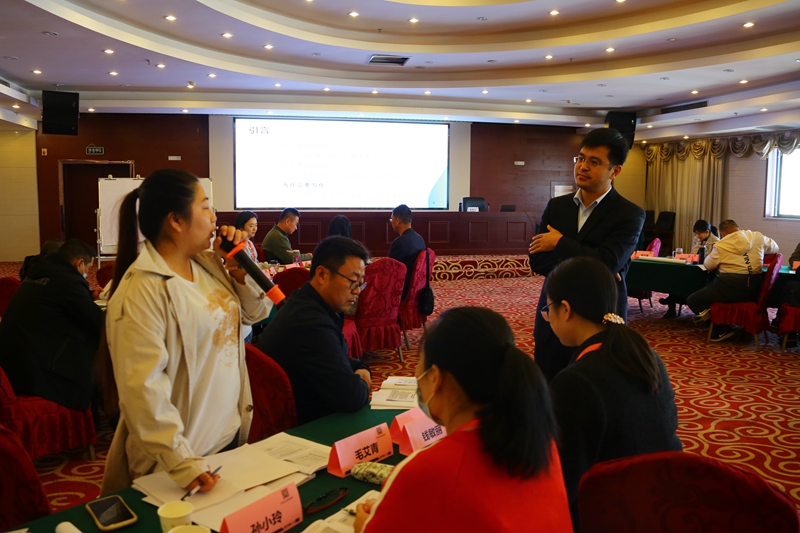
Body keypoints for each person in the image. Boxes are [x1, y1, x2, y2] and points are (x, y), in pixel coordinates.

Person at [101, 169, 272, 495]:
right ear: (176, 221)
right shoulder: (142, 290)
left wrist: (239, 270)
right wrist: (182, 463)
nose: (215, 217)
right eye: (205, 207)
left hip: (227, 439)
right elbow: (143, 390)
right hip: (179, 462)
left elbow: (256, 314)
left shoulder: (208, 265)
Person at [354, 307, 572, 533]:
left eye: (418, 369)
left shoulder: (427, 470)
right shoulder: (538, 439)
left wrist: (364, 527)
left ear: (435, 378)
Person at [545, 257, 683, 531]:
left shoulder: (576, 381)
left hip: (614, 514)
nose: (547, 318)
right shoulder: (644, 354)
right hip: (665, 502)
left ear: (566, 309)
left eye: (548, 310)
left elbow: (563, 481)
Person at [529, 128, 645, 382]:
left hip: (601, 317)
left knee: (598, 386)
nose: (582, 166)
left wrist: (559, 243)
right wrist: (595, 262)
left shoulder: (629, 214)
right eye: (580, 158)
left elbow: (609, 262)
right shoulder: (557, 206)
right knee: (548, 385)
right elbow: (537, 260)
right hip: (554, 311)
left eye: (594, 162)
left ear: (615, 171)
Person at [258, 236, 372, 424]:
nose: (357, 291)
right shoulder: (310, 322)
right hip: (304, 426)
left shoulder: (305, 301)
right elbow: (351, 397)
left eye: (361, 283)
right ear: (322, 275)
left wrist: (361, 367)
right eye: (353, 281)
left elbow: (331, 356)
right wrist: (364, 379)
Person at [0, 239, 103, 411]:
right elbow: (98, 322)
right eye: (88, 268)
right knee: (94, 349)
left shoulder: (38, 273)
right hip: (37, 374)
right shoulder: (68, 281)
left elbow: (58, 299)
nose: (87, 273)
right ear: (79, 263)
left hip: (14, 365)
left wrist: (88, 295)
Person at [687, 219, 779, 341]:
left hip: (728, 289)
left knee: (693, 300)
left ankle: (721, 329)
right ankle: (725, 320)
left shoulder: (721, 245)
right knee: (709, 286)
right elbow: (775, 248)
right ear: (738, 228)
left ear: (722, 233)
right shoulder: (757, 237)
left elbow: (708, 266)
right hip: (753, 289)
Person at [659, 219, 720, 318]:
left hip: (707, 272)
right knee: (675, 277)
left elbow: (711, 260)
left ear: (707, 232)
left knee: (684, 280)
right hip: (695, 268)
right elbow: (693, 254)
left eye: (699, 233)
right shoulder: (696, 239)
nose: (697, 236)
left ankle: (672, 299)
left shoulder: (716, 242)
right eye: (696, 233)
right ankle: (671, 307)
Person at [388, 204, 426, 301]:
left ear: (397, 221)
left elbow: (390, 271)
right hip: (417, 289)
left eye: (392, 219)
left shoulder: (399, 243)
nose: (391, 222)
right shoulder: (419, 238)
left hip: (401, 290)